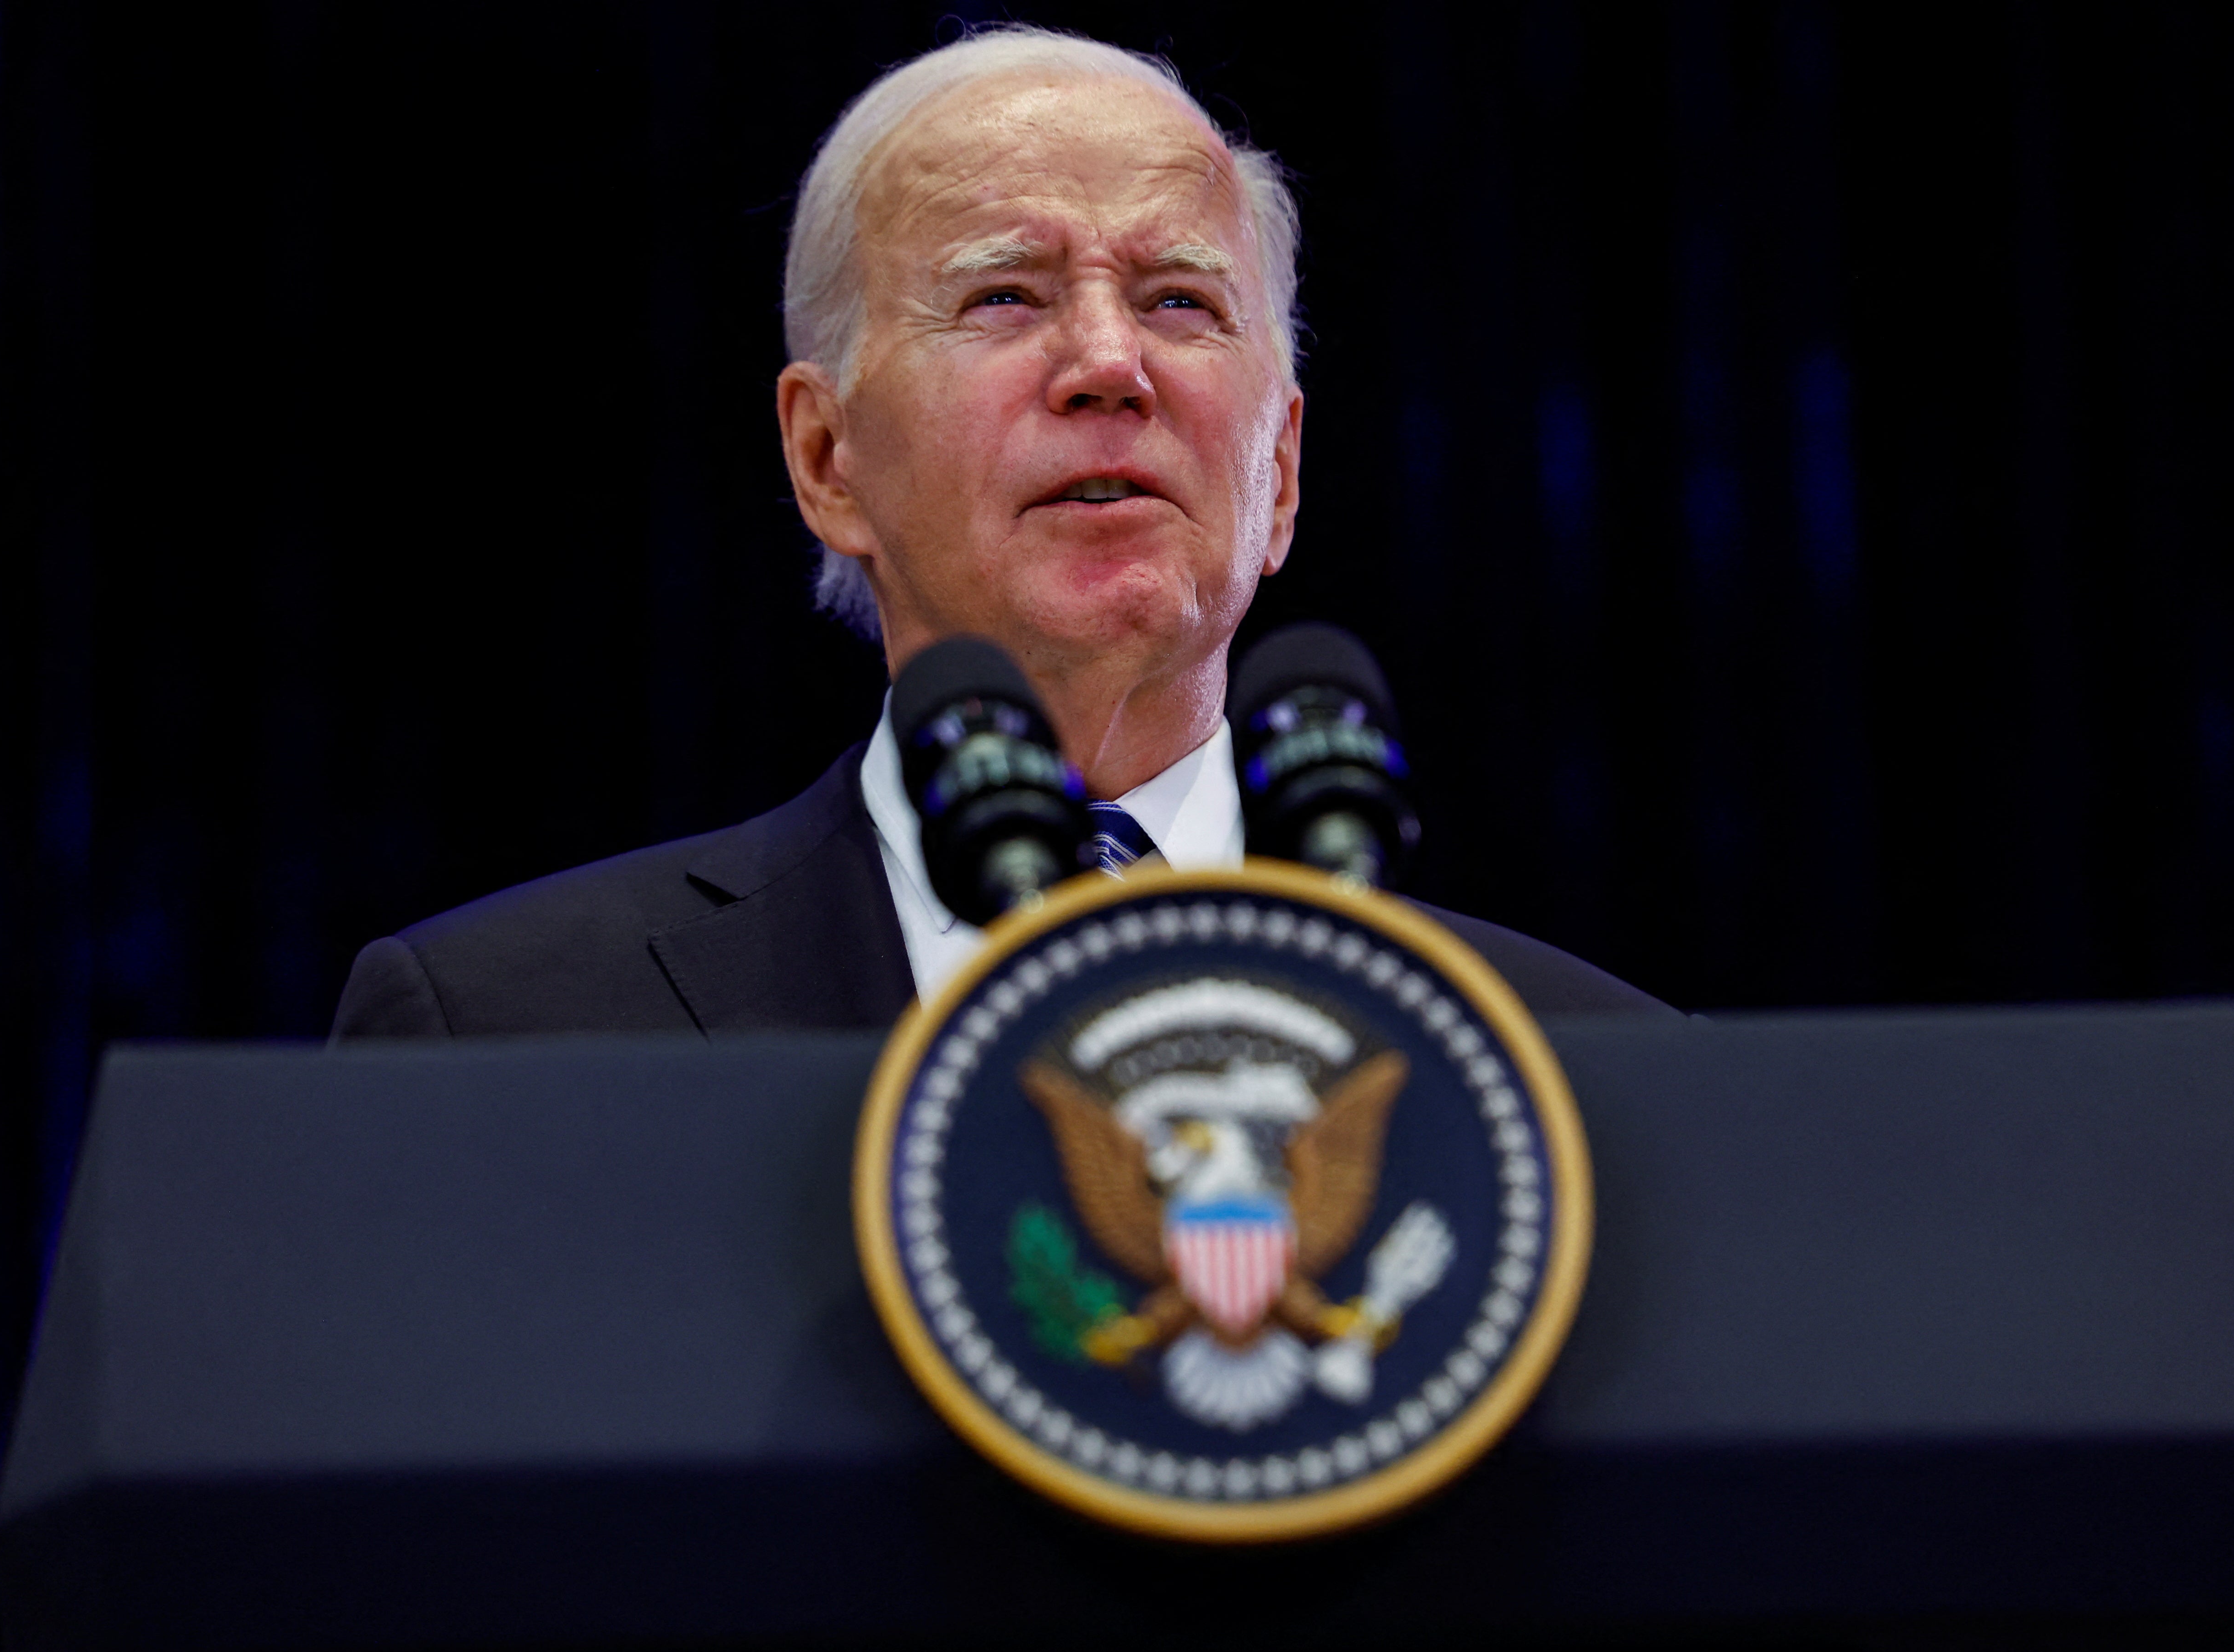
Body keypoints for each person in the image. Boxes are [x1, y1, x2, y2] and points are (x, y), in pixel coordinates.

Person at [330, 27, 1667, 1041]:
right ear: (824, 457)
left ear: (1284, 469)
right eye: (1006, 297)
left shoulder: (1586, 1067)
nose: (1108, 363)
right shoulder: (505, 1028)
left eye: (1181, 302)